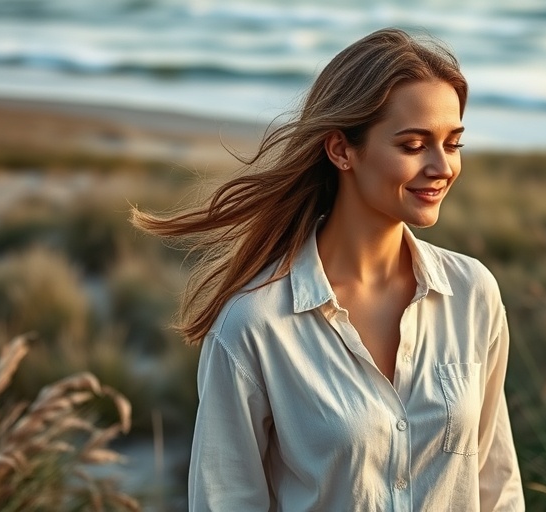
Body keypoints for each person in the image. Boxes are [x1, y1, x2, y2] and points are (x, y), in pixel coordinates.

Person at [133, 27, 524, 511]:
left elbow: (497, 488)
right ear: (341, 150)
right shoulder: (255, 325)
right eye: (413, 145)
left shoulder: (473, 294)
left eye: (453, 143)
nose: (442, 166)